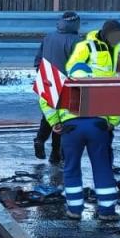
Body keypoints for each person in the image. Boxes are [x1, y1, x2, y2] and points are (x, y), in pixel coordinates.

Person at [42, 20, 120, 221]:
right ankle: (107, 211)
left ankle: (74, 210)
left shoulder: (65, 81)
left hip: (71, 128)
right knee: (102, 166)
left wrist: (55, 123)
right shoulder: (99, 82)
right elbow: (116, 99)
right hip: (98, 126)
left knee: (71, 168)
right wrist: (112, 122)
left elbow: (46, 99)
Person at [33, 10, 82, 164]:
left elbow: (38, 57)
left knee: (49, 115)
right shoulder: (76, 41)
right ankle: (55, 154)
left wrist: (40, 72)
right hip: (64, 83)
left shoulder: (49, 36)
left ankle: (40, 139)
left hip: (47, 79)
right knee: (61, 119)